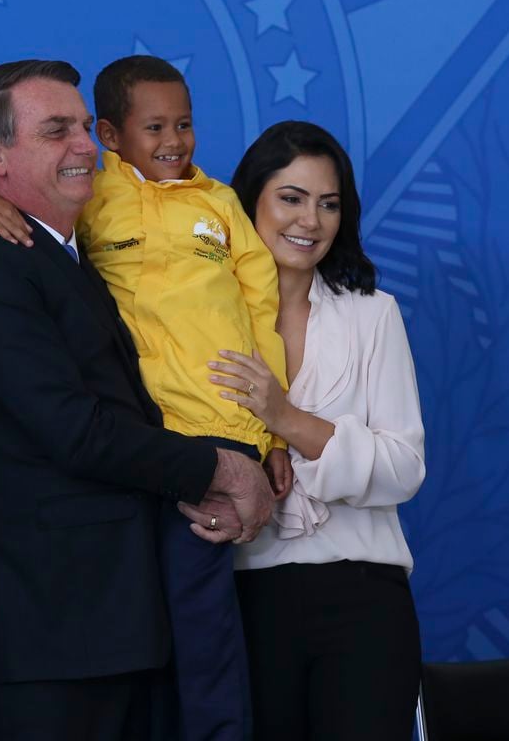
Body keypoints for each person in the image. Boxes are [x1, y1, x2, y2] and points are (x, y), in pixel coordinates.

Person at [0, 54, 289, 741]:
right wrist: (220, 468)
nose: (84, 146)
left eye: (82, 129)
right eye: (56, 130)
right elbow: (75, 430)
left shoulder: (73, 260)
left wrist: (262, 434)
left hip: (110, 630)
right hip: (48, 638)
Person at [204, 121, 427, 741]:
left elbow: (404, 468)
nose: (311, 220)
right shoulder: (197, 314)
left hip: (364, 597)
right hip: (239, 596)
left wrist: (286, 419)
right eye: (291, 198)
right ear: (250, 200)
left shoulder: (373, 314)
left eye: (329, 204)